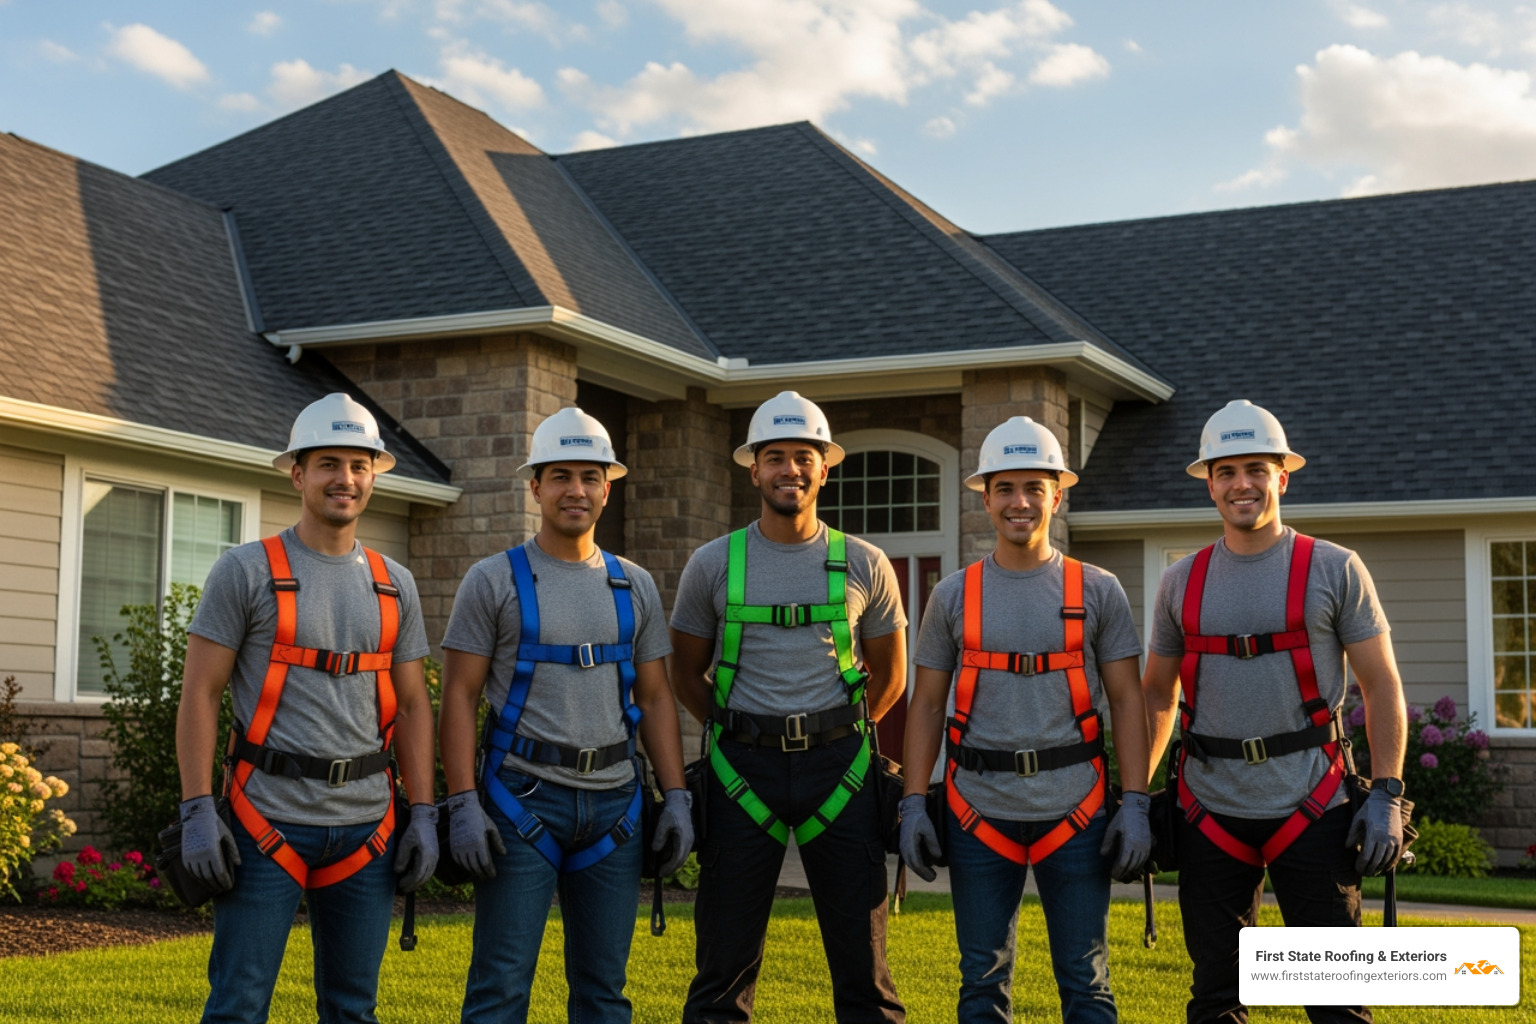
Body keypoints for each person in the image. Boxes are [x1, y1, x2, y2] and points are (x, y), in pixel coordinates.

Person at [175, 393, 438, 1024]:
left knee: (353, 1008)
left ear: (374, 474)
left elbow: (412, 705)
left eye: (357, 464)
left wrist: (426, 812)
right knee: (238, 1005)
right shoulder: (245, 572)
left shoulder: (394, 582)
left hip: (368, 828)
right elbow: (200, 694)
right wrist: (196, 810)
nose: (343, 479)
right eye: (328, 463)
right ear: (298, 473)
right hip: (264, 819)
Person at [1141, 399, 1408, 1024]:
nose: (1242, 485)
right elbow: (1157, 693)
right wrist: (1135, 797)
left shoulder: (1335, 568)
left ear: (1282, 477)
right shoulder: (1180, 581)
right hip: (1210, 812)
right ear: (1209, 484)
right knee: (1216, 1000)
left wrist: (1388, 793)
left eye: (1256, 469)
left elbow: (1382, 685)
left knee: (1336, 1003)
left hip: (1312, 807)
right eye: (1227, 471)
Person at [438, 406, 692, 1024]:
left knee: (605, 993)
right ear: (534, 486)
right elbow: (458, 698)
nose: (575, 489)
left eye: (589, 476)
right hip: (521, 800)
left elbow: (656, 697)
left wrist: (678, 796)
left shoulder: (634, 585)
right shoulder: (491, 580)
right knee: (499, 988)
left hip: (616, 807)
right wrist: (463, 803)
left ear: (608, 488)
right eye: (560, 476)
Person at [898, 415, 1151, 1024]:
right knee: (981, 984)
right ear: (985, 497)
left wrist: (1137, 802)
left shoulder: (1098, 589)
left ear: (1056, 495)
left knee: (1086, 983)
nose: (1020, 502)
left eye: (1034, 488)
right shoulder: (953, 595)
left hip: (1078, 813)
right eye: (1005, 488)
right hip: (977, 812)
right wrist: (911, 802)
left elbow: (1127, 701)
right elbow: (927, 703)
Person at [670, 391, 908, 1024]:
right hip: (740, 771)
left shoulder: (866, 563)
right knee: (723, 967)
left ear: (824, 467)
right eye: (775, 457)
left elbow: (892, 676)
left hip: (843, 771)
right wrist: (736, 729)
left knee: (864, 969)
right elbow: (684, 672)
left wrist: (844, 735)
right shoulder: (713, 564)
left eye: (803, 457)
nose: (790, 470)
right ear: (753, 469)